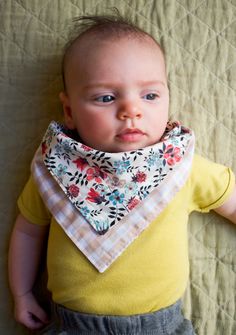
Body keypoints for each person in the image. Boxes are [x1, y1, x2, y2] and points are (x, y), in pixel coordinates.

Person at [8, 14, 236, 335]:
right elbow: (28, 232)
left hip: (162, 327)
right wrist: (22, 293)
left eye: (150, 95)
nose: (132, 110)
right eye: (106, 97)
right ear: (70, 111)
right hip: (72, 326)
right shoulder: (56, 169)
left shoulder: (182, 166)